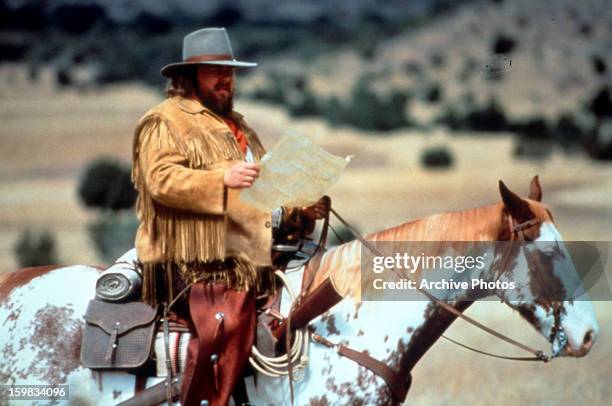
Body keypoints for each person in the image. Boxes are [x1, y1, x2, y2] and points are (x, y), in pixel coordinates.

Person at [131, 27, 325, 406]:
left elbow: (261, 194)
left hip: (250, 250)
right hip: (195, 260)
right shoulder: (164, 121)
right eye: (214, 71)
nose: (226, 78)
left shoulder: (238, 126)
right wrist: (221, 178)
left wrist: (298, 209)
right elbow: (161, 181)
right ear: (187, 78)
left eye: (230, 71)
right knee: (231, 319)